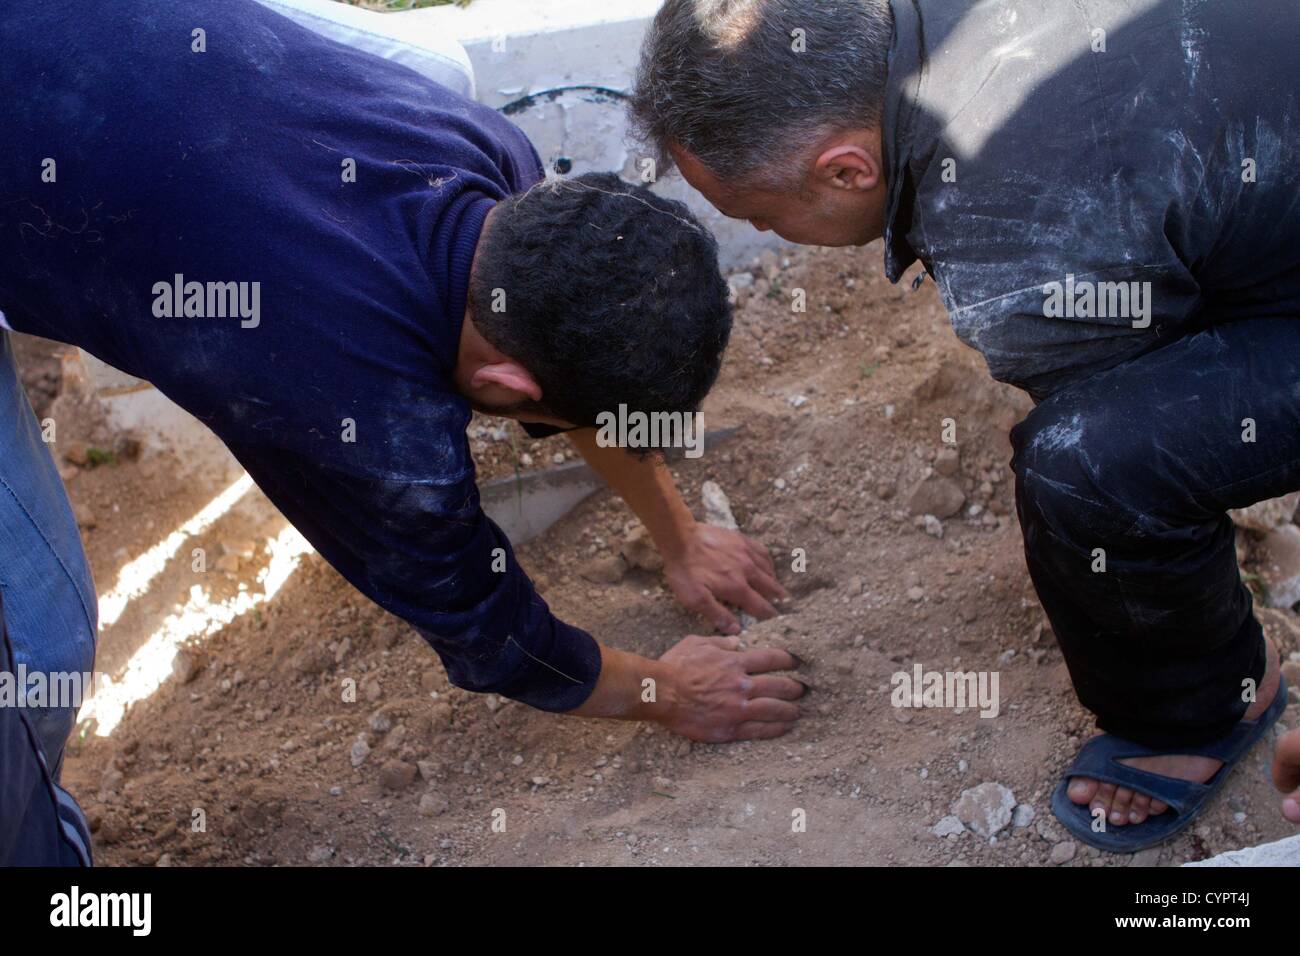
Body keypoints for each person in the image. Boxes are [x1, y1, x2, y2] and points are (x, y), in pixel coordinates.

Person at [0, 0, 803, 865]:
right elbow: (496, 639)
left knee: (436, 60)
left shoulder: (486, 155)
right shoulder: (360, 409)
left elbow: (568, 340)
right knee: (38, 642)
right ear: (506, 386)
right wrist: (670, 691)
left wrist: (679, 538)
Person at [631, 0, 1300, 849]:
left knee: (1088, 467)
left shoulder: (1017, 225)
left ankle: (1203, 709)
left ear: (845, 172)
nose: (768, 233)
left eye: (763, 217)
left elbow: (1124, 403)